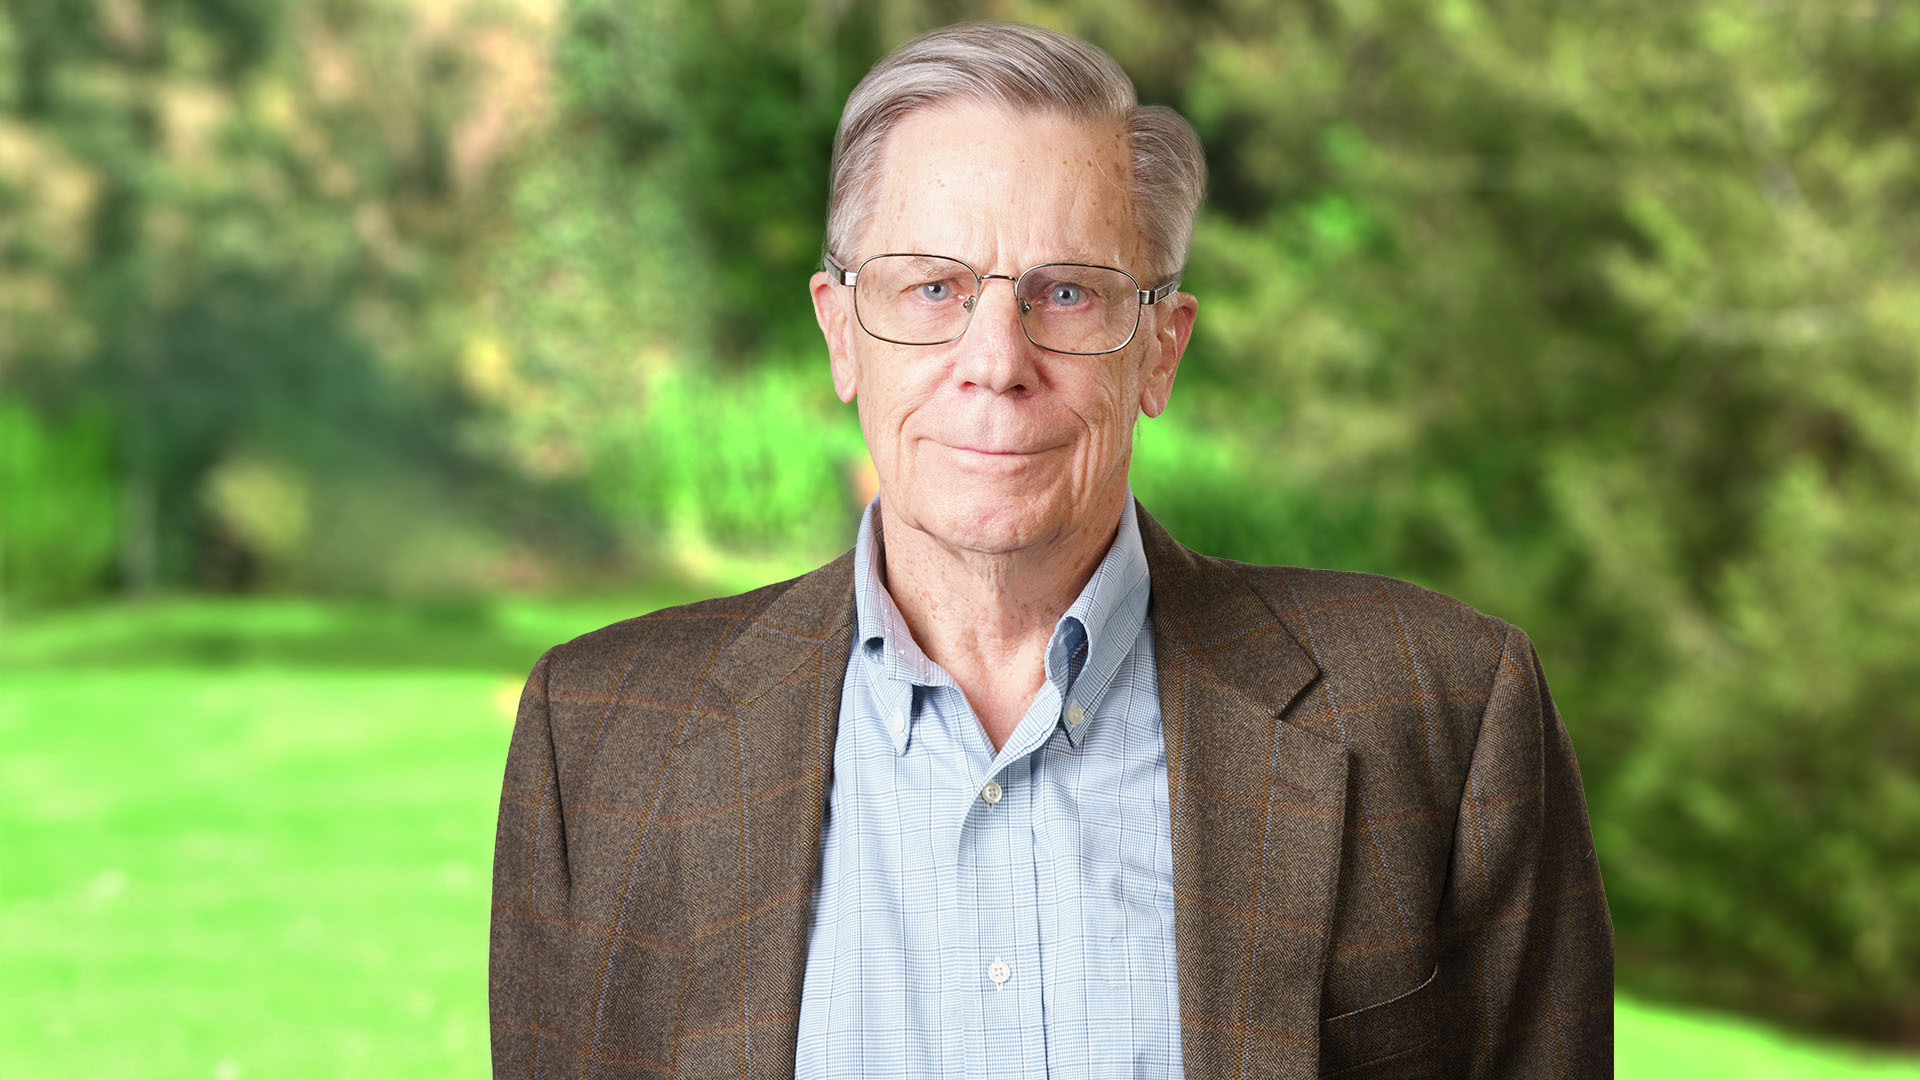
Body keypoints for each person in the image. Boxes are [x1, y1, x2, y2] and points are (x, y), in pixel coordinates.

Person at [489, 21, 1612, 1080]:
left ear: (1159, 352)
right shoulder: (596, 742)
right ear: (842, 332)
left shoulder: (1446, 711)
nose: (996, 360)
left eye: (1066, 294)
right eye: (932, 289)